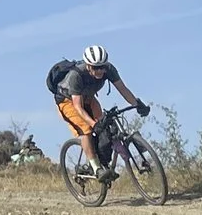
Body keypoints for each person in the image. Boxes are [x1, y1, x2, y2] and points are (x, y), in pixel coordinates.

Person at [46, 45, 148, 174]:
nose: (100, 71)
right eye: (95, 68)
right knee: (86, 129)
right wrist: (93, 124)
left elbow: (123, 89)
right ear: (88, 65)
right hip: (67, 101)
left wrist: (137, 104)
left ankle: (106, 159)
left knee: (106, 126)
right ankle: (96, 168)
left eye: (102, 67)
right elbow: (77, 107)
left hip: (88, 98)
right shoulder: (76, 75)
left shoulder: (109, 70)